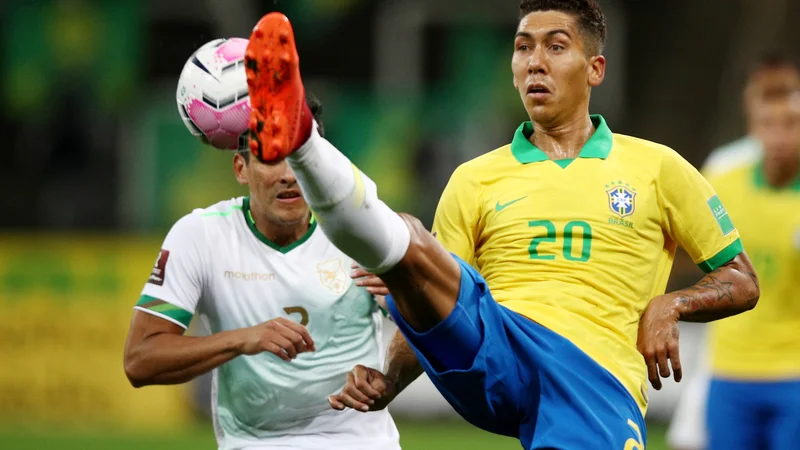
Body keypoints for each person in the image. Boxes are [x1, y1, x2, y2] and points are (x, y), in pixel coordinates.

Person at [243, 3, 760, 449]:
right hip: (496, 343)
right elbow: (438, 309)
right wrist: (388, 379)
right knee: (410, 244)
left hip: (592, 375)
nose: (535, 62)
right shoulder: (475, 179)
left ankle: (319, 160)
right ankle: (301, 138)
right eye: (522, 48)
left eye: (556, 47)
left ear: (595, 68)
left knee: (409, 252)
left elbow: (741, 280)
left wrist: (672, 304)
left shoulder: (658, 167)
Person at [122, 48, 400, 450]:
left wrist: (389, 374)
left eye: (304, 158)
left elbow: (433, 322)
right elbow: (139, 360)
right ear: (241, 168)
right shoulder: (200, 236)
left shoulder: (363, 229)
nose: (290, 175)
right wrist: (242, 339)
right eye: (272, 157)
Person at [666, 56, 800, 450]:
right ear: (752, 128)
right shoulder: (723, 176)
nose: (778, 136)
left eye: (790, 125)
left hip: (794, 373)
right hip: (728, 372)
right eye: (767, 125)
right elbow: (688, 248)